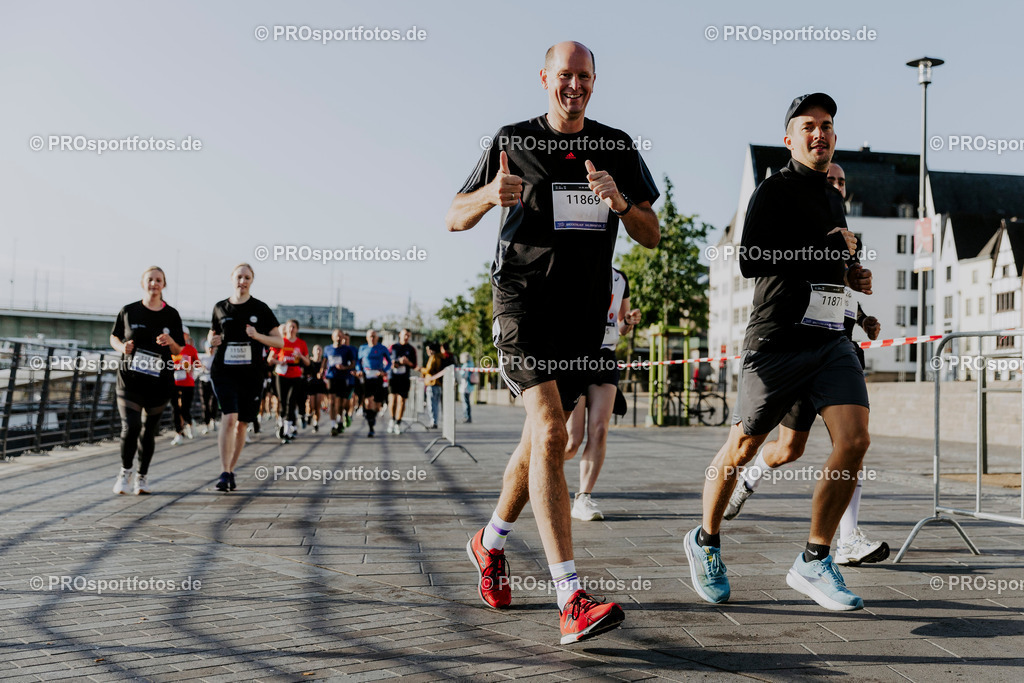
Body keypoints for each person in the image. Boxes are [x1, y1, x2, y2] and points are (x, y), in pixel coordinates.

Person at [446, 41, 660, 643]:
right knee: (551, 434)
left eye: (584, 76)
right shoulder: (512, 139)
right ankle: (570, 595)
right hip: (522, 304)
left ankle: (488, 543)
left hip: (583, 318)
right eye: (564, 75)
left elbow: (651, 233)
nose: (575, 86)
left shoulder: (616, 145)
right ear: (545, 78)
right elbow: (453, 216)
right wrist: (492, 195)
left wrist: (618, 201)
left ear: (595, 81)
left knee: (540, 445)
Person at [685, 93, 873, 612]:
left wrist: (850, 274)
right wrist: (824, 251)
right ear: (790, 138)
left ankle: (815, 558)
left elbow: (825, 264)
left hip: (830, 340)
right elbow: (751, 259)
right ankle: (706, 540)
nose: (820, 133)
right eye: (808, 126)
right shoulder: (775, 189)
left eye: (828, 125)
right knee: (743, 448)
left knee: (854, 440)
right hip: (777, 341)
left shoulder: (833, 196)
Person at [723, 162, 889, 566]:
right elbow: (775, 270)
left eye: (841, 181)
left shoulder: (848, 235)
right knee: (789, 448)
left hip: (836, 349)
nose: (833, 185)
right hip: (790, 346)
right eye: (828, 179)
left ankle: (843, 541)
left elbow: (838, 289)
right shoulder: (792, 213)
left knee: (852, 443)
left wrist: (862, 310)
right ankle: (747, 479)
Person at [564, 267, 640, 521]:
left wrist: (628, 320)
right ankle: (538, 471)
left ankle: (583, 497)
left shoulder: (619, 278)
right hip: (573, 357)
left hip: (605, 358)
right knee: (572, 441)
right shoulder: (571, 266)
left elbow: (620, 326)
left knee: (599, 429)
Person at [109, 266, 185, 495]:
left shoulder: (171, 314)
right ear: (143, 283)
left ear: (164, 285)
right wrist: (123, 346)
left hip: (159, 380)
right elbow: (114, 336)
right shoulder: (129, 310)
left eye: (158, 280)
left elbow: (179, 348)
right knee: (131, 426)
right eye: (150, 280)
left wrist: (170, 341)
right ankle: (125, 472)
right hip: (129, 378)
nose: (154, 284)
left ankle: (141, 477)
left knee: (149, 430)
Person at [208, 263, 283, 491]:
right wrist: (210, 342)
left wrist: (258, 335)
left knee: (242, 425)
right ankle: (224, 471)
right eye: (239, 276)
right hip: (224, 371)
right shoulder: (220, 307)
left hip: (251, 374)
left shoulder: (260, 308)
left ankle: (231, 468)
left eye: (247, 277)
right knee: (229, 418)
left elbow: (279, 342)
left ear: (252, 281)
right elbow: (211, 338)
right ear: (232, 278)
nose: (243, 280)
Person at [268, 319, 310, 443]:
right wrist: (279, 361)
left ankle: (287, 430)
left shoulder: (301, 343)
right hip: (282, 374)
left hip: (295, 374)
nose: (291, 329)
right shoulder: (281, 342)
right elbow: (270, 359)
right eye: (289, 327)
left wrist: (300, 356)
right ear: (286, 328)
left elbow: (307, 362)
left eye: (294, 327)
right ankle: (281, 423)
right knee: (282, 400)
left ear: (297, 329)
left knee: (291, 401)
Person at [356, 329, 391, 437]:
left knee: (377, 404)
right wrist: (359, 370)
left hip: (378, 377)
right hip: (367, 377)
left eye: (374, 336)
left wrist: (384, 371)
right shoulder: (362, 348)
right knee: (368, 401)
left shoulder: (382, 348)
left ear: (377, 337)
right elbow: (358, 362)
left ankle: (372, 415)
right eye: (370, 336)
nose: (372, 338)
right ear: (367, 338)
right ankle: (371, 426)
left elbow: (389, 362)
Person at [323, 329, 356, 436]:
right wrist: (320, 371)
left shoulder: (347, 349)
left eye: (340, 336)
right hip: (331, 377)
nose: (338, 338)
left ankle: (340, 419)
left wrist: (345, 367)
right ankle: (333, 425)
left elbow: (353, 364)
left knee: (341, 403)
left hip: (343, 378)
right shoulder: (327, 348)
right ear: (332, 337)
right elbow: (324, 362)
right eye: (336, 336)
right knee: (332, 402)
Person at [171, 326, 200, 445]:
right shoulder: (171, 348)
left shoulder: (191, 349)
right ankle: (178, 433)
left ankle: (190, 423)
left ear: (187, 336)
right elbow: (165, 364)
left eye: (183, 334)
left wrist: (191, 367)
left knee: (184, 408)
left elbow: (197, 364)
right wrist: (174, 367)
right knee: (175, 409)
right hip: (174, 382)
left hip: (188, 383)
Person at [388, 329, 418, 434]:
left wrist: (407, 362)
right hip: (393, 377)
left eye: (408, 336)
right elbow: (386, 361)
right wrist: (395, 363)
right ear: (400, 335)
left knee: (402, 401)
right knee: (392, 400)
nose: (406, 337)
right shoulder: (393, 347)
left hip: (404, 378)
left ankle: (398, 422)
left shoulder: (411, 349)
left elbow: (414, 365)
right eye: (405, 335)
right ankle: (392, 419)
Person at [420, 343, 444, 429]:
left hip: (432, 383)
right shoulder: (440, 357)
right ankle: (435, 421)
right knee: (436, 404)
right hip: (438, 384)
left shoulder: (433, 357)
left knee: (432, 404)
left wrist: (421, 369)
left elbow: (429, 370)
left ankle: (433, 422)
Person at [197, 340, 218, 435]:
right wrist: (201, 368)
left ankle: (213, 419)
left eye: (212, 348)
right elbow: (195, 369)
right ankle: (206, 423)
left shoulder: (217, 358)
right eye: (209, 347)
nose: (211, 350)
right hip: (203, 381)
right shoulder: (201, 357)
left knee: (213, 402)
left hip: (214, 382)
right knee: (204, 403)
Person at [305, 344, 327, 433]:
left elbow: (327, 373)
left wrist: (322, 374)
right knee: (311, 405)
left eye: (320, 350)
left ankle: (316, 423)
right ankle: (309, 415)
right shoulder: (309, 362)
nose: (318, 352)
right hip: (310, 385)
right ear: (313, 352)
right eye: (316, 350)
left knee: (317, 406)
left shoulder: (323, 363)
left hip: (320, 385)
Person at [458, 351, 477, 423]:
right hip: (470, 386)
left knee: (465, 402)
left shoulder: (466, 365)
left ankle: (466, 417)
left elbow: (463, 375)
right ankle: (468, 416)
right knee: (468, 402)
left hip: (464, 386)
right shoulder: (471, 364)